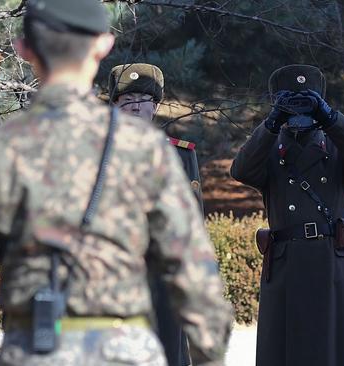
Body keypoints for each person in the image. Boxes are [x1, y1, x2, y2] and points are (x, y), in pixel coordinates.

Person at [0, 1, 232, 365]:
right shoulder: (145, 149)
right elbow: (195, 275)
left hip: (32, 349)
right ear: (103, 46)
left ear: (23, 49)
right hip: (127, 351)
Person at [230, 64, 344, 366]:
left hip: (331, 263)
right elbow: (240, 170)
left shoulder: (337, 149)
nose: (299, 112)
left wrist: (330, 117)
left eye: (306, 101)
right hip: (288, 265)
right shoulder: (271, 151)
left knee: (335, 352)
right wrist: (272, 123)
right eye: (291, 102)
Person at [107, 63, 202, 366]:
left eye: (143, 99)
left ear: (156, 105)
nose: (135, 106)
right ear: (115, 105)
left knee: (168, 350)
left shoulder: (181, 154)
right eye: (127, 99)